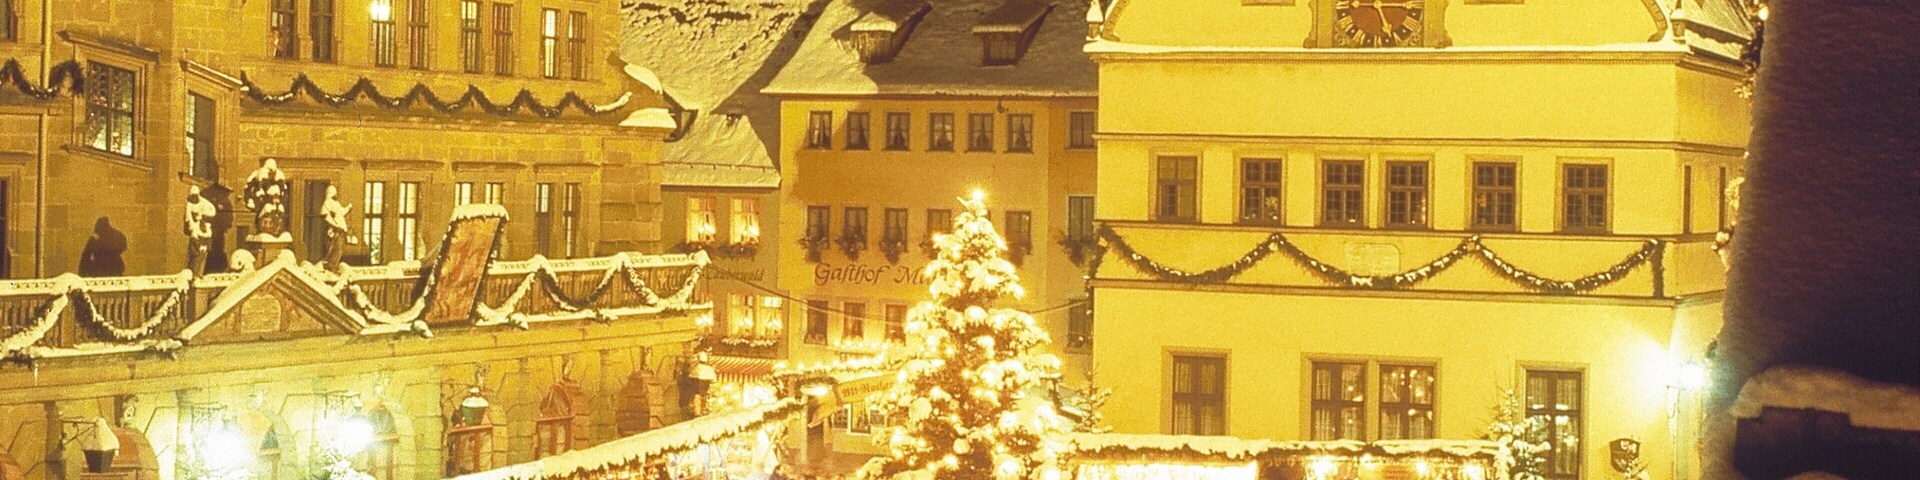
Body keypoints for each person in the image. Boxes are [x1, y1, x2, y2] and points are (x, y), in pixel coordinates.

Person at [320, 185, 356, 269]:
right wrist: (334, 224)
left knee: (339, 249)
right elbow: (324, 214)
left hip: (340, 229)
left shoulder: (336, 203)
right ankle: (331, 265)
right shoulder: (328, 202)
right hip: (335, 229)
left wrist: (348, 208)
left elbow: (341, 212)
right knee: (335, 248)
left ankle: (333, 265)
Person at [185, 186, 217, 275]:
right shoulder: (189, 204)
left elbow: (212, 211)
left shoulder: (204, 203)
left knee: (201, 255)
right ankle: (192, 272)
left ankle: (198, 272)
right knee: (193, 255)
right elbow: (188, 218)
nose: (194, 198)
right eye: (192, 196)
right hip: (196, 232)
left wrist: (203, 216)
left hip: (204, 233)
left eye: (195, 196)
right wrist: (192, 226)